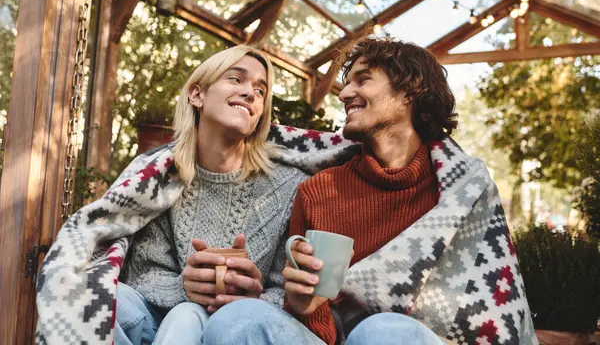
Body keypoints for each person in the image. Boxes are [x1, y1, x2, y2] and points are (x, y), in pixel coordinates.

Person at [202, 38, 537, 345]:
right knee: (238, 319)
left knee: (384, 332)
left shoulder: (461, 190)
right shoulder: (319, 192)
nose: (344, 93)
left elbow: (492, 315)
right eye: (347, 83)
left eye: (362, 80)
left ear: (411, 90)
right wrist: (303, 304)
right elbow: (316, 327)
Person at [35, 45, 309, 345]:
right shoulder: (159, 176)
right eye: (236, 79)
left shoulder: (288, 184)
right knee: (96, 296)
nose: (250, 93)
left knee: (187, 316)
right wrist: (183, 288)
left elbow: (293, 289)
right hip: (159, 318)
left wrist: (254, 297)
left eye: (260, 90)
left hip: (239, 328)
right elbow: (140, 273)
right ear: (197, 95)